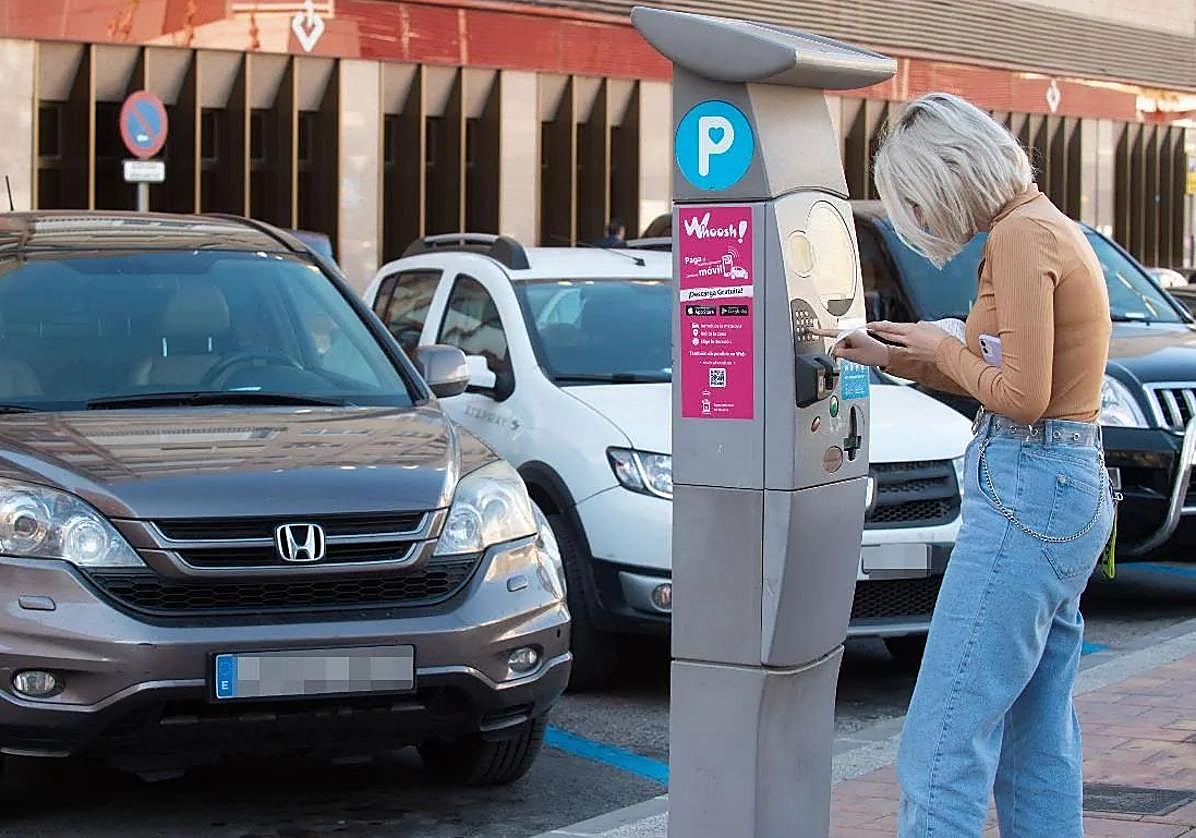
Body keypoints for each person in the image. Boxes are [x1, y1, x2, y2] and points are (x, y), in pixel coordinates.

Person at [829, 93, 1115, 837]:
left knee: (942, 741)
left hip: (1028, 483)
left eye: (919, 199)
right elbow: (1017, 377)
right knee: (1036, 737)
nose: (924, 219)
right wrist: (897, 356)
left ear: (948, 175)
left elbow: (1021, 396)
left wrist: (938, 345)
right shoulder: (1046, 224)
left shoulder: (1020, 237)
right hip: (1065, 483)